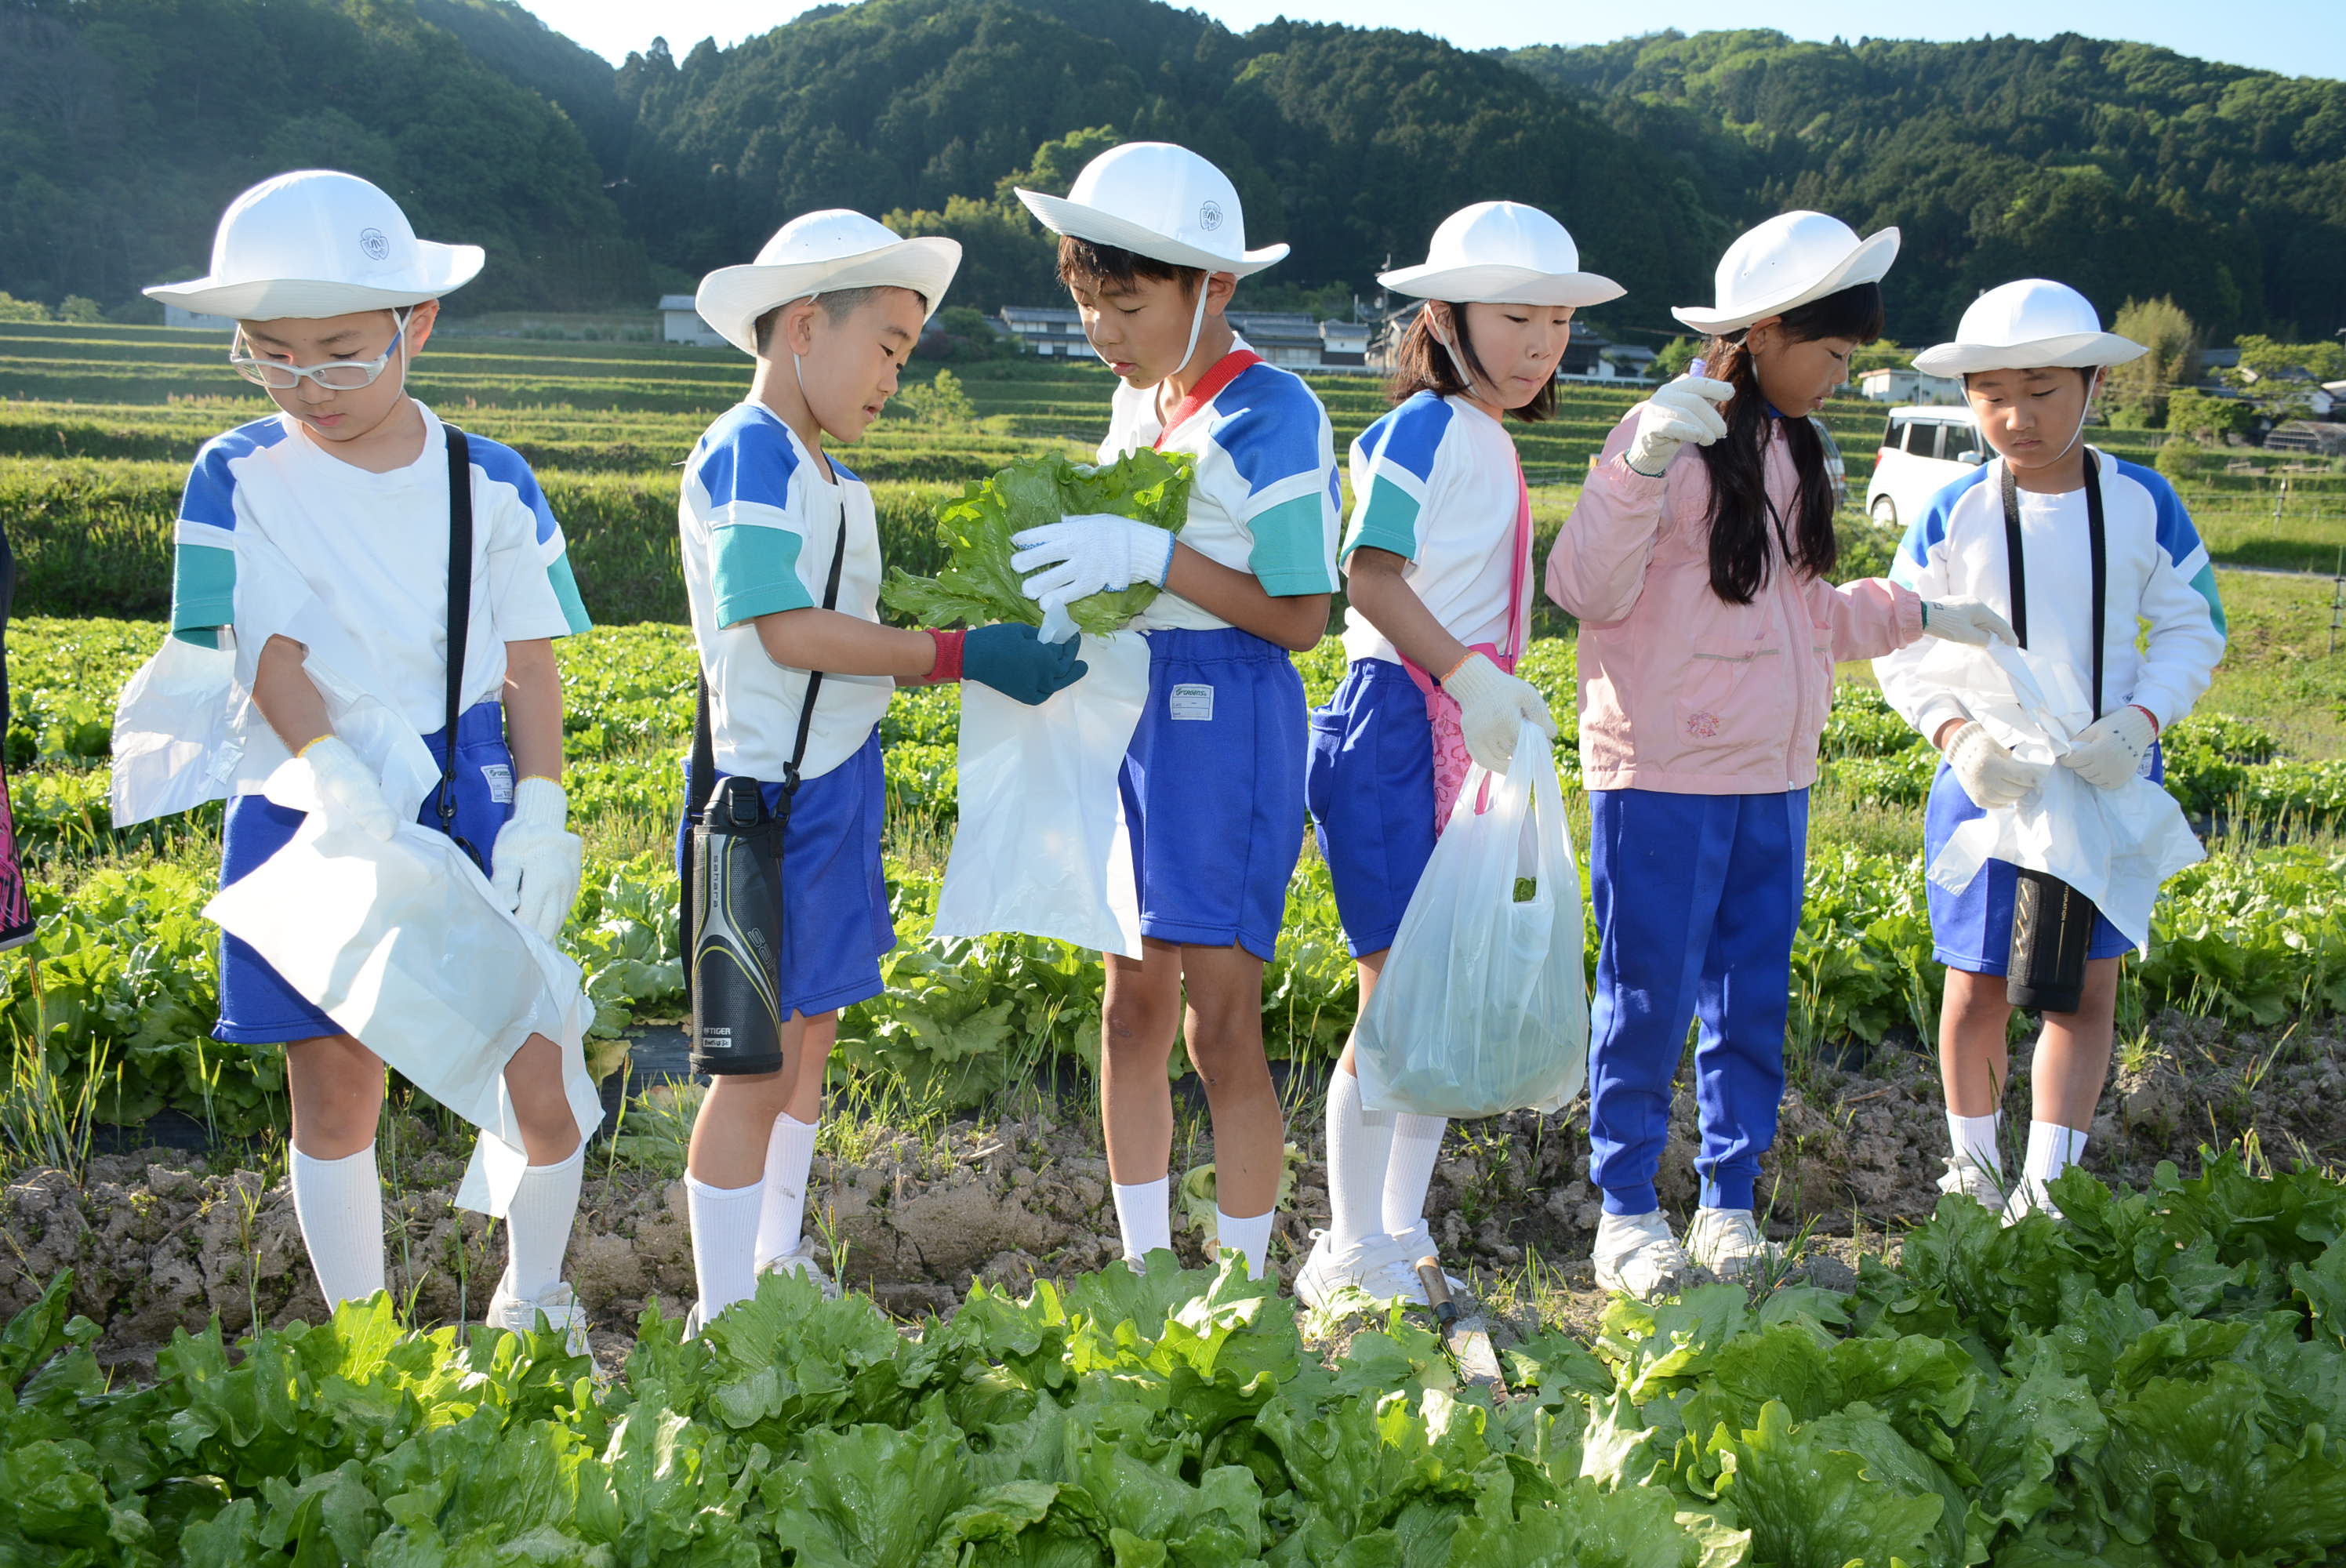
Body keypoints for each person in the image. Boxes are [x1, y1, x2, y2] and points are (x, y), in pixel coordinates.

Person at [143, 170, 597, 1343]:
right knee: (336, 1084)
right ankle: (364, 1343)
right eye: (271, 355)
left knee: (540, 1070)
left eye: (341, 353)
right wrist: (336, 778)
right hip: (308, 788)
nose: (308, 387)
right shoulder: (237, 472)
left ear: (417, 324)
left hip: (464, 778)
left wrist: (541, 812)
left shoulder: (489, 480)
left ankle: (531, 1301)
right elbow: (264, 646)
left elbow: (530, 666)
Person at [1545, 211, 2014, 1298]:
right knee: (1647, 993)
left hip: (1774, 775)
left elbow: (1807, 622)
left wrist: (1921, 613)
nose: (1844, 376)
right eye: (1834, 351)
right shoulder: (1660, 435)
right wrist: (1638, 467)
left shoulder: (1797, 450)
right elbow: (1581, 590)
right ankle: (1622, 1210)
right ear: (1763, 332)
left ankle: (1726, 1203)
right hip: (1662, 775)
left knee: (1749, 997)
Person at [676, 211, 1087, 1327]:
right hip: (767, 802)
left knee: (811, 1036)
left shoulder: (824, 469)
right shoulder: (751, 447)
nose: (898, 374)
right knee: (753, 1061)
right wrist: (952, 655)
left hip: (839, 785)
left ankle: (772, 1260)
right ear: (807, 325)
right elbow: (780, 626)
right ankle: (719, 1315)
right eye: (891, 346)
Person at [1008, 142, 1341, 1280]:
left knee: (1219, 1026)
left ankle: (1244, 1287)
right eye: (1085, 298)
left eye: (1125, 299)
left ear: (1216, 285)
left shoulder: (1272, 412)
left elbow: (1300, 614)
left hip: (1227, 719)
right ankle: (1150, 1273)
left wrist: (1155, 555)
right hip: (1131, 716)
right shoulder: (1134, 403)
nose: (1103, 326)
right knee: (1129, 1012)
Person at [1292, 201, 1607, 1308]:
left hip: (1461, 726)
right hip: (1396, 717)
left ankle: (1398, 1229)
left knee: (1434, 996)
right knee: (1395, 999)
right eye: (1517, 316)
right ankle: (1344, 1247)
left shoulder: (1489, 437)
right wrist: (1470, 676)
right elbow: (1368, 574)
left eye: (1560, 322)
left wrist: (1484, 696)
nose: (1541, 344)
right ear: (1448, 315)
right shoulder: (1421, 428)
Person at [1874, 278, 2225, 1221]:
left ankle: (2048, 1184)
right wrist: (1958, 738)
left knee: (2083, 989)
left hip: (2101, 780)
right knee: (1975, 979)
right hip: (1988, 779)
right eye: (1990, 394)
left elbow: (2196, 628)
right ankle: (1973, 1168)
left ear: (2091, 387)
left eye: (2042, 389)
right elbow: (1902, 644)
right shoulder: (1950, 510)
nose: (2016, 415)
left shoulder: (2144, 502)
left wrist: (2141, 720)